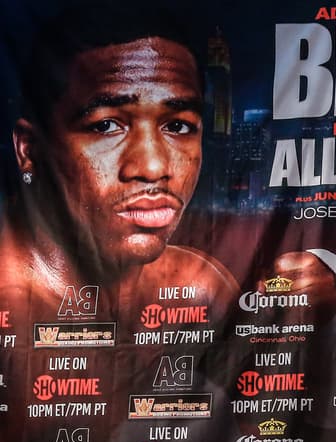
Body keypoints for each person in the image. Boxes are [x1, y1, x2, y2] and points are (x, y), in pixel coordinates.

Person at [0, 10, 238, 324]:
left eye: (178, 127)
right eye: (107, 126)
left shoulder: (199, 287)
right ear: (29, 150)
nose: (153, 168)